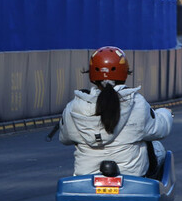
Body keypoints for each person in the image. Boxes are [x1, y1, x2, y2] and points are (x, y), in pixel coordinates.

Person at [59, 46, 173, 177]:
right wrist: (166, 113)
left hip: (85, 174)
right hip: (132, 175)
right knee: (159, 149)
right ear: (124, 73)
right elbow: (159, 130)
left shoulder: (75, 106)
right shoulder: (136, 103)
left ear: (92, 74)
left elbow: (64, 138)